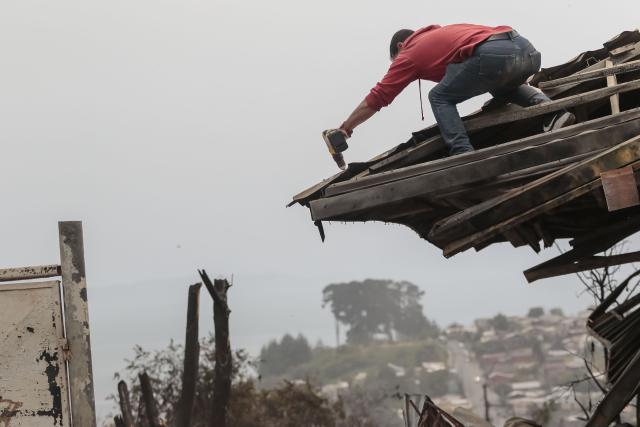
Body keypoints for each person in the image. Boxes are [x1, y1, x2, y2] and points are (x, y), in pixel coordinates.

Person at [337, 24, 575, 156]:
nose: (400, 69)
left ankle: (462, 153)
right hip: (526, 51)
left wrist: (346, 128)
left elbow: (378, 97)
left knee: (438, 96)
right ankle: (553, 112)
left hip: (493, 56)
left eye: (396, 61)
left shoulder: (409, 52)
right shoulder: (444, 35)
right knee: (502, 87)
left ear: (401, 46)